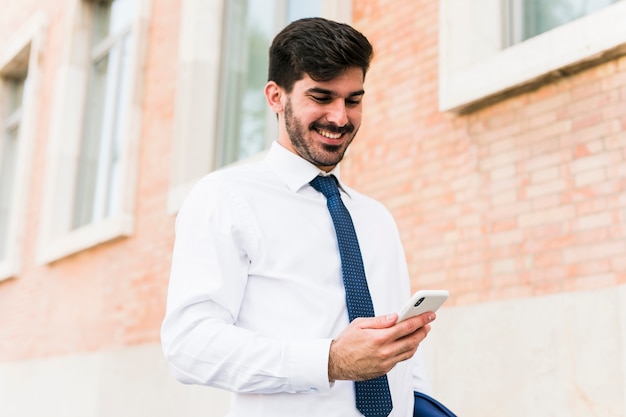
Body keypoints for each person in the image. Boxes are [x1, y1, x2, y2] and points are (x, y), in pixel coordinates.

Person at [161, 17, 438, 417]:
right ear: (276, 96)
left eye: (353, 100)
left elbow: (405, 362)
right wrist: (329, 360)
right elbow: (189, 347)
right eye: (321, 97)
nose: (340, 118)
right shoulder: (225, 198)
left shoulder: (376, 218)